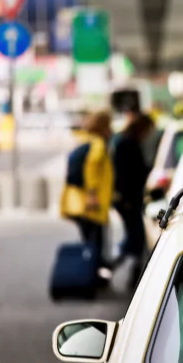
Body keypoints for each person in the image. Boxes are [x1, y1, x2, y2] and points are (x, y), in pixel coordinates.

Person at [60, 110, 115, 287]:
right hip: (92, 204)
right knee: (95, 244)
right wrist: (92, 195)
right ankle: (90, 278)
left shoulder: (86, 139)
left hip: (79, 203)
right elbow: (91, 169)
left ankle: (90, 276)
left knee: (90, 243)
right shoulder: (98, 143)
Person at [111, 115, 154, 289]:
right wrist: (126, 198)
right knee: (135, 237)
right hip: (128, 200)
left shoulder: (128, 142)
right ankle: (109, 266)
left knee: (136, 238)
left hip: (131, 198)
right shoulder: (126, 144)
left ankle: (133, 276)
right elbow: (123, 174)